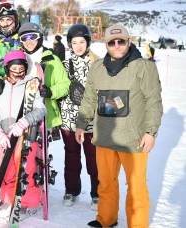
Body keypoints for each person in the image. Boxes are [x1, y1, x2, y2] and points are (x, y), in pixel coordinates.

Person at [75, 24, 163, 228]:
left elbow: (154, 102)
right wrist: (81, 124)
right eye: (112, 42)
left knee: (136, 188)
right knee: (105, 184)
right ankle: (106, 218)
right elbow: (89, 98)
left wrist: (151, 132)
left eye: (121, 41)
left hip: (134, 140)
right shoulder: (97, 67)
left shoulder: (144, 67)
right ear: (106, 44)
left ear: (128, 42)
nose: (116, 45)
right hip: (105, 137)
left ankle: (137, 224)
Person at [0, 50, 46, 218]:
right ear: (7, 69)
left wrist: (24, 122)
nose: (18, 72)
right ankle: (8, 200)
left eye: (21, 68)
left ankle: (29, 202)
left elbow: (41, 109)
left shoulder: (31, 85)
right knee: (4, 171)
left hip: (25, 137)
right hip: (4, 138)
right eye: (14, 68)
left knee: (26, 172)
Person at [59, 24, 100, 209]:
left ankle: (96, 193)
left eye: (82, 42)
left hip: (92, 120)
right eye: (74, 42)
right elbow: (58, 87)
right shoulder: (64, 65)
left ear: (88, 42)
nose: (78, 46)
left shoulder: (98, 64)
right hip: (69, 120)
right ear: (69, 44)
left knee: (93, 157)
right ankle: (71, 190)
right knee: (72, 156)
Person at [17, 22, 70, 150]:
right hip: (20, 114)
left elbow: (65, 84)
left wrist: (51, 91)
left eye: (32, 37)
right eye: (24, 38)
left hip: (44, 115)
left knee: (38, 153)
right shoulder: (17, 58)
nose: (29, 41)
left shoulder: (52, 60)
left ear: (39, 37)